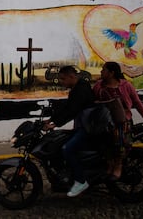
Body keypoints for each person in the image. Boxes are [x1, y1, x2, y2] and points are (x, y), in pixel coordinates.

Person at [93, 61, 143, 180]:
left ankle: (118, 165)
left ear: (111, 73)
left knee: (119, 141)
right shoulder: (99, 86)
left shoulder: (126, 85)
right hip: (104, 121)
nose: (101, 72)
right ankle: (109, 163)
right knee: (101, 141)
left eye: (103, 70)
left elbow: (137, 102)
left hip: (122, 121)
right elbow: (91, 101)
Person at [43, 65, 95, 197]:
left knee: (67, 149)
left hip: (88, 129)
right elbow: (67, 107)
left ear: (72, 76)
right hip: (82, 126)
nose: (61, 81)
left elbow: (73, 111)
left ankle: (81, 181)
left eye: (63, 78)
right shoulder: (76, 89)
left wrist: (55, 124)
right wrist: (50, 120)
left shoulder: (82, 89)